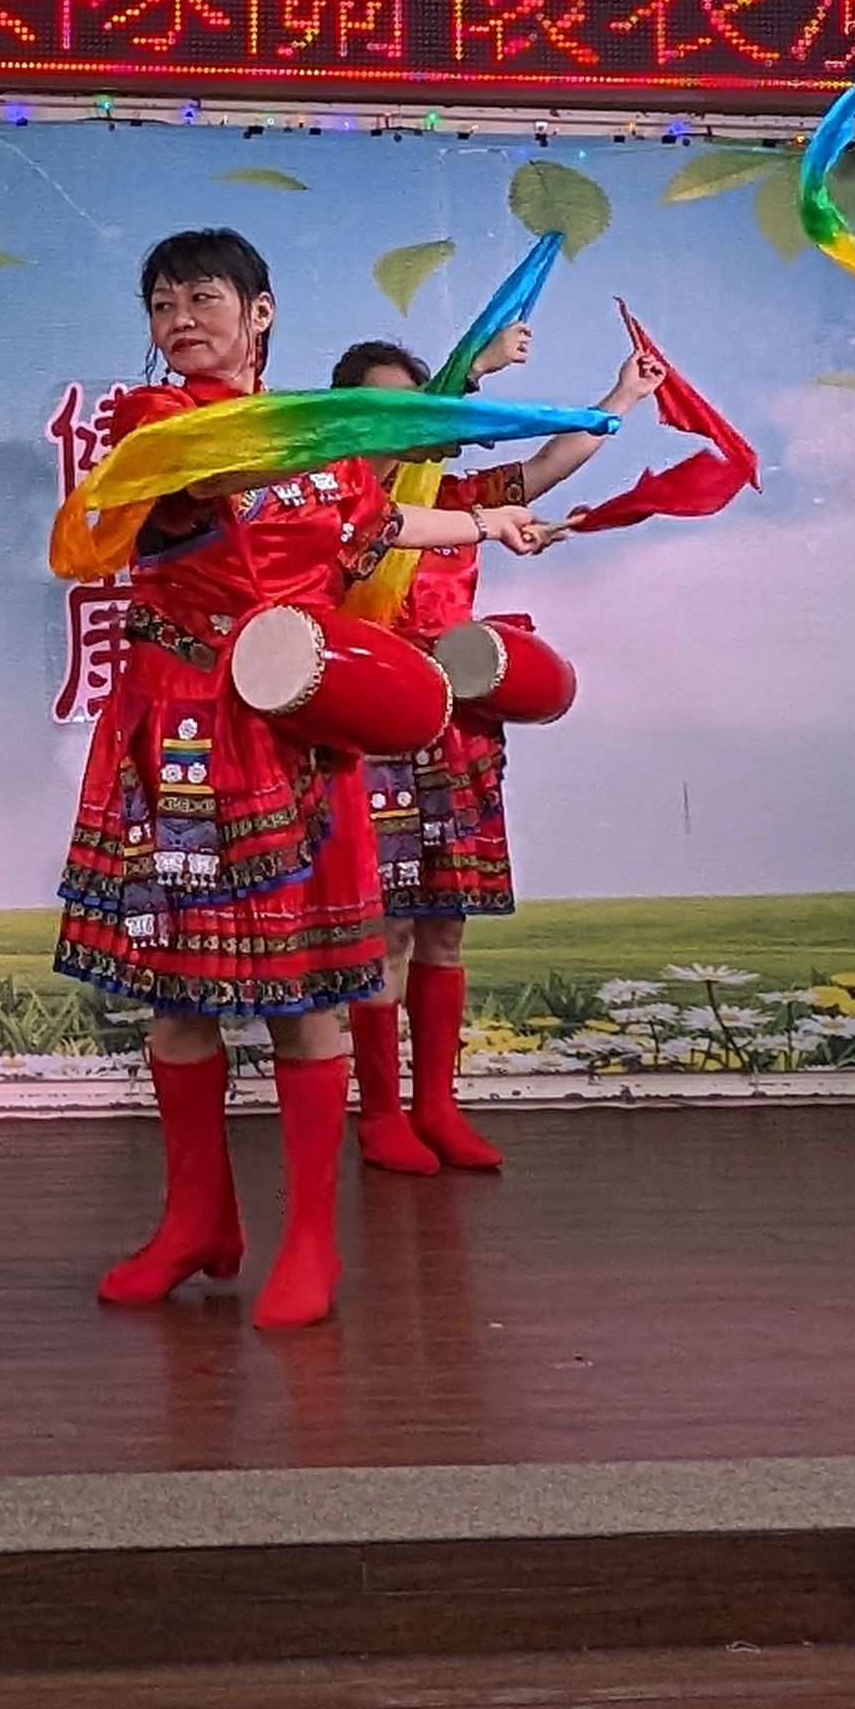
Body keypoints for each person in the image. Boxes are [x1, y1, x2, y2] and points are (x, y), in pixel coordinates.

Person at [58, 230, 542, 1331]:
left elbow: (380, 524)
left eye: (203, 297)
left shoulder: (323, 445)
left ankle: (310, 1241)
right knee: (179, 1000)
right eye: (162, 303)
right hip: (182, 737)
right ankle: (197, 1224)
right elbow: (219, 470)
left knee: (305, 996)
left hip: (297, 729)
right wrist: (385, 422)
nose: (181, 319)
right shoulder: (156, 421)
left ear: (260, 312)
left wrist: (486, 515)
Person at [325, 323, 659, 1178]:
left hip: (458, 726)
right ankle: (381, 1116)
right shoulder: (336, 504)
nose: (402, 423)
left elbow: (546, 467)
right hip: (373, 722)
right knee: (385, 931)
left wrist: (622, 397)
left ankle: (437, 1106)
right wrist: (476, 370)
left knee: (445, 928)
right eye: (380, 409)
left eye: (417, 407)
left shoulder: (457, 495)